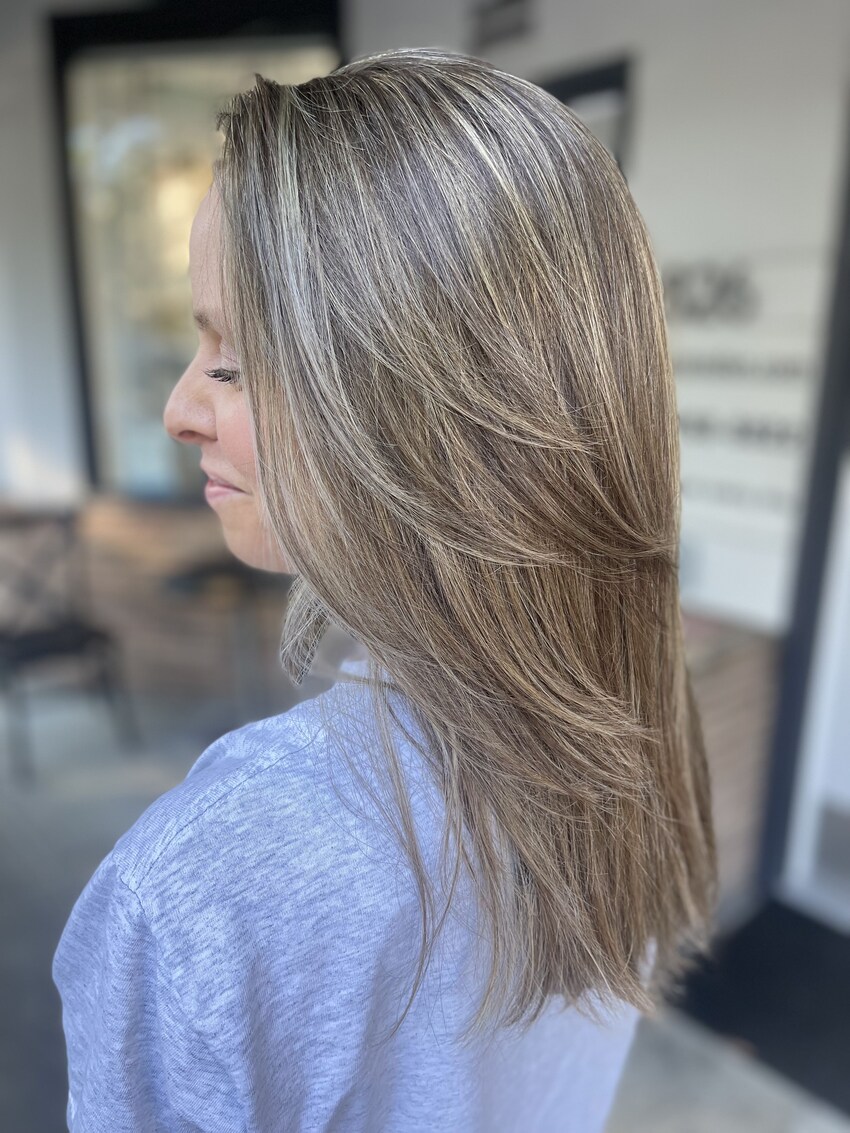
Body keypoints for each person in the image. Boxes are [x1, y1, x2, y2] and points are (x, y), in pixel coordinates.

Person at [52, 47, 717, 1133]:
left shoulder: (210, 880)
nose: (179, 408)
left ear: (413, 402)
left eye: (234, 359)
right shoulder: (633, 709)